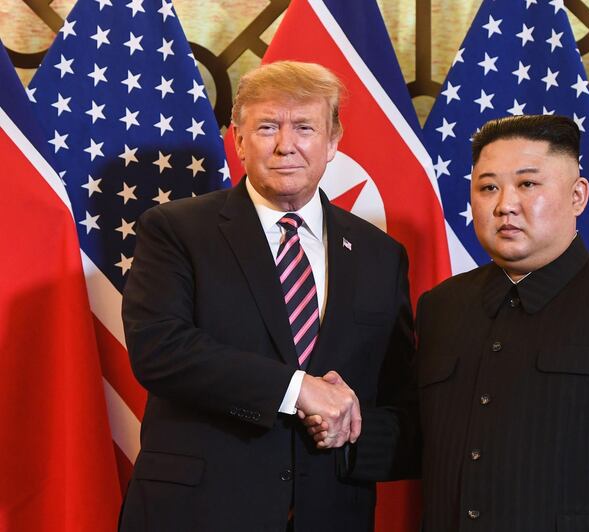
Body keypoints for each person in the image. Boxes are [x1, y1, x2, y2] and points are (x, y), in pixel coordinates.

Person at [311, 114, 589, 530]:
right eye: (488, 188)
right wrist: (342, 428)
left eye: (527, 184)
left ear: (578, 196)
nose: (505, 205)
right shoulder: (442, 306)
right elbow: (422, 439)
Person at [118, 61, 415, 532]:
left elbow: (400, 400)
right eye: (267, 127)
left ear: (333, 141)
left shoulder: (381, 254)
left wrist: (348, 430)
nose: (285, 145)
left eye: (304, 127)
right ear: (237, 139)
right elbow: (160, 350)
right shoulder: (176, 230)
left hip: (332, 514)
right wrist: (300, 390)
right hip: (199, 513)